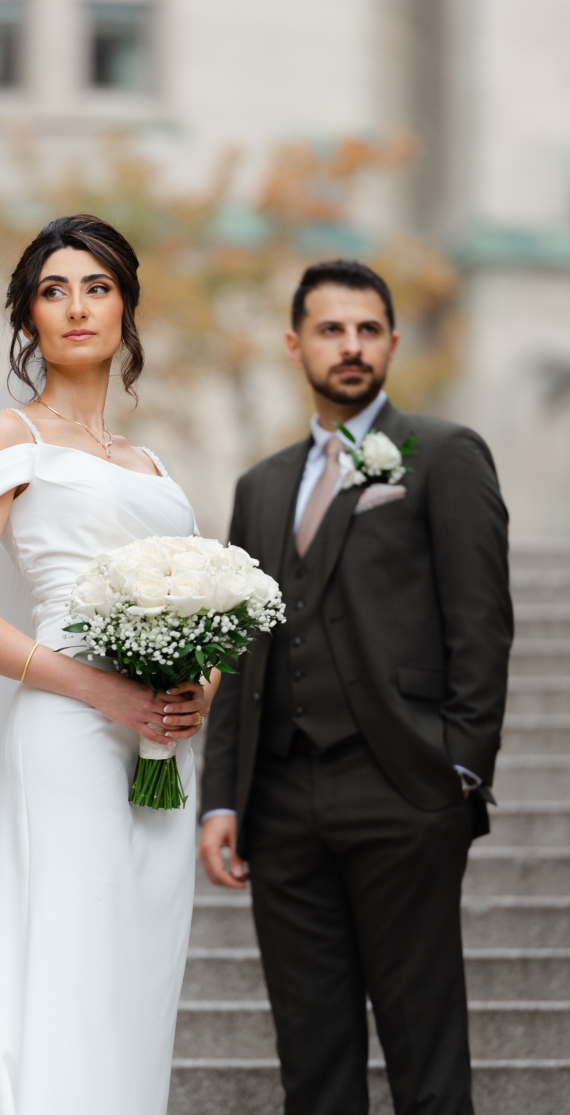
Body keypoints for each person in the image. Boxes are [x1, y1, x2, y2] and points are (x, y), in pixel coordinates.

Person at [198, 260, 513, 1114]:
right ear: (295, 344)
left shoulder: (442, 455)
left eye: (369, 330)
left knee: (425, 1049)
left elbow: (481, 623)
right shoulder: (258, 488)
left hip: (405, 787)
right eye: (333, 329)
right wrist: (222, 799)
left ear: (393, 344)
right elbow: (241, 647)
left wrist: (461, 767)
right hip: (281, 801)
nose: (352, 346)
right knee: (313, 1058)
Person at [0, 213, 214, 1113]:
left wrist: (201, 684)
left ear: (126, 308)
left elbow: (203, 602)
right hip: (67, 730)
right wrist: (99, 689)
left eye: (98, 287)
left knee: (138, 977)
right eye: (54, 291)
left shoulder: (153, 462)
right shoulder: (8, 435)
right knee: (69, 969)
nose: (77, 307)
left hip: (164, 747)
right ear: (29, 320)